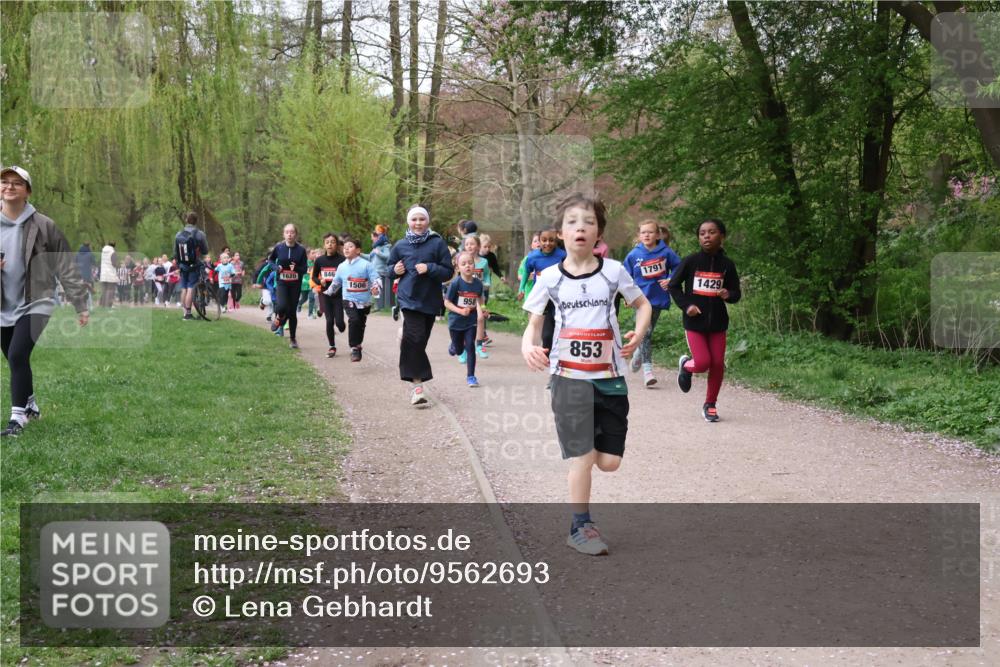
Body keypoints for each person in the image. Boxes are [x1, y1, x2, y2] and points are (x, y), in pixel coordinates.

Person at [521, 192, 651, 555]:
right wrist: (527, 346)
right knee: (582, 455)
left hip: (609, 377)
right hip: (567, 378)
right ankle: (581, 526)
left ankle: (582, 453)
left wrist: (638, 334)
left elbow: (642, 306)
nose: (581, 227)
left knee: (608, 462)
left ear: (599, 235)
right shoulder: (549, 277)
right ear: (560, 233)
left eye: (589, 222)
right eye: (572, 222)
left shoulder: (613, 271)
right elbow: (533, 325)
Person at [0, 166, 89, 437]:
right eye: (5, 182)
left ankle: (17, 420)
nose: (9, 187)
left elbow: (65, 265)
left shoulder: (44, 225)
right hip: (4, 304)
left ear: (27, 191)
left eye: (17, 183)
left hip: (36, 301)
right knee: (15, 359)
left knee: (17, 354)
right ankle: (30, 405)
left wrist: (80, 304)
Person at [668, 219, 741, 422]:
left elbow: (736, 293)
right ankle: (686, 366)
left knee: (717, 364)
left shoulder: (727, 265)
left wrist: (729, 294)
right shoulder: (691, 261)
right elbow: (673, 286)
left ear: (722, 236)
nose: (706, 236)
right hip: (695, 322)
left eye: (711, 232)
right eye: (702, 233)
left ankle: (710, 404)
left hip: (718, 323)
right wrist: (687, 306)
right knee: (702, 363)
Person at [387, 205, 454, 406]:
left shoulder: (437, 244)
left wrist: (430, 268)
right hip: (408, 298)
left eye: (421, 220)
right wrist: (395, 269)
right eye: (414, 220)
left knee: (419, 341)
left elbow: (448, 272)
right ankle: (418, 387)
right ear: (408, 222)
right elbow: (388, 269)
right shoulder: (400, 245)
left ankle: (403, 335)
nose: (418, 223)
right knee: (415, 339)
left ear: (427, 222)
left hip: (430, 300)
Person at [624, 219, 682, 387]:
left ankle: (637, 356)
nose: (647, 235)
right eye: (643, 232)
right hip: (640, 300)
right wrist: (628, 296)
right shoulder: (634, 254)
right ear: (639, 235)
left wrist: (670, 279)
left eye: (650, 232)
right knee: (646, 333)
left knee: (646, 332)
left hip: (657, 298)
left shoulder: (666, 252)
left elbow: (679, 267)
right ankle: (648, 370)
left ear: (658, 234)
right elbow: (625, 277)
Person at [325, 236, 381, 362]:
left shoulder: (367, 265)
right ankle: (354, 348)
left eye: (350, 246)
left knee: (361, 324)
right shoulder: (341, 266)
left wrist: (376, 288)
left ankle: (358, 345)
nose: (346, 249)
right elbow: (336, 282)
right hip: (348, 299)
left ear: (358, 250)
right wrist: (328, 292)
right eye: (344, 247)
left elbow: (376, 279)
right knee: (353, 319)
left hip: (364, 301)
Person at [518, 228, 567, 357]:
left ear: (556, 240)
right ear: (539, 241)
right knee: (536, 325)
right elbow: (526, 273)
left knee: (554, 326)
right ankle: (536, 351)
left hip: (557, 296)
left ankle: (553, 352)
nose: (547, 243)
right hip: (540, 296)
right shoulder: (533, 257)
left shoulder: (562, 255)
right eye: (544, 240)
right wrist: (521, 288)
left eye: (551, 240)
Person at [445, 251, 487, 387]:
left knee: (470, 346)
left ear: (474, 265)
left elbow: (480, 297)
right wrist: (460, 311)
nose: (467, 266)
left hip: (471, 320)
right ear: (458, 268)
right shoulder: (455, 284)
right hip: (455, 321)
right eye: (463, 264)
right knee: (459, 349)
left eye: (470, 263)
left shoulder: (478, 284)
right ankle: (454, 346)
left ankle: (471, 376)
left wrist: (484, 307)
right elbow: (447, 303)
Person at [268, 223, 309, 349]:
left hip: (295, 284)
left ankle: (292, 339)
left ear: (295, 234)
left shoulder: (301, 250)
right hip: (282, 282)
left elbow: (304, 268)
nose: (289, 234)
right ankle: (280, 317)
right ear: (283, 234)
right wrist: (276, 268)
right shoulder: (279, 248)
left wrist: (296, 268)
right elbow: (270, 261)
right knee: (281, 306)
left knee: (292, 312)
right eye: (287, 232)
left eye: (292, 232)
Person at [311, 233, 346, 357]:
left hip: (338, 295)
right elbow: (314, 276)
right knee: (329, 321)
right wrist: (319, 281)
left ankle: (341, 325)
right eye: (327, 242)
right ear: (324, 245)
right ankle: (332, 347)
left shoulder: (342, 260)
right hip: (326, 294)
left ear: (336, 245)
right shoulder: (320, 260)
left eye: (332, 242)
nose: (330, 244)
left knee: (340, 324)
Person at [174, 211, 209, 320]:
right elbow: (205, 251)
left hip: (182, 265)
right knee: (190, 287)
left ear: (186, 220)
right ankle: (188, 314)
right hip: (194, 265)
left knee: (183, 287)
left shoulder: (178, 234)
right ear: (196, 221)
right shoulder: (199, 234)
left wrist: (179, 264)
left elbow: (175, 252)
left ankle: (184, 312)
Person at [461, 235, 491, 359]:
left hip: (478, 295)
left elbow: (487, 277)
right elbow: (457, 275)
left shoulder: (483, 262)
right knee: (464, 320)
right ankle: (462, 348)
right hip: (464, 295)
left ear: (478, 246)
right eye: (467, 244)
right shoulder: (461, 259)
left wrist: (486, 284)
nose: (469, 246)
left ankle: (479, 344)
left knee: (480, 318)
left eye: (472, 244)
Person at [368, 224, 392, 311]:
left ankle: (379, 306)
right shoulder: (376, 247)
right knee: (374, 289)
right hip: (374, 271)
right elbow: (369, 257)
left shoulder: (384, 246)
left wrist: (378, 252)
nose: (371, 239)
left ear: (377, 237)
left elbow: (388, 256)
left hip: (381, 271)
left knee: (378, 289)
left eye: (372, 237)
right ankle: (376, 306)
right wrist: (359, 255)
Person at [98, 241, 118, 308]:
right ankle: (108, 305)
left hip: (103, 273)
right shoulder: (112, 252)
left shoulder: (103, 252)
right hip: (110, 274)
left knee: (104, 290)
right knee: (110, 290)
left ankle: (103, 305)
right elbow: (114, 263)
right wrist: (118, 265)